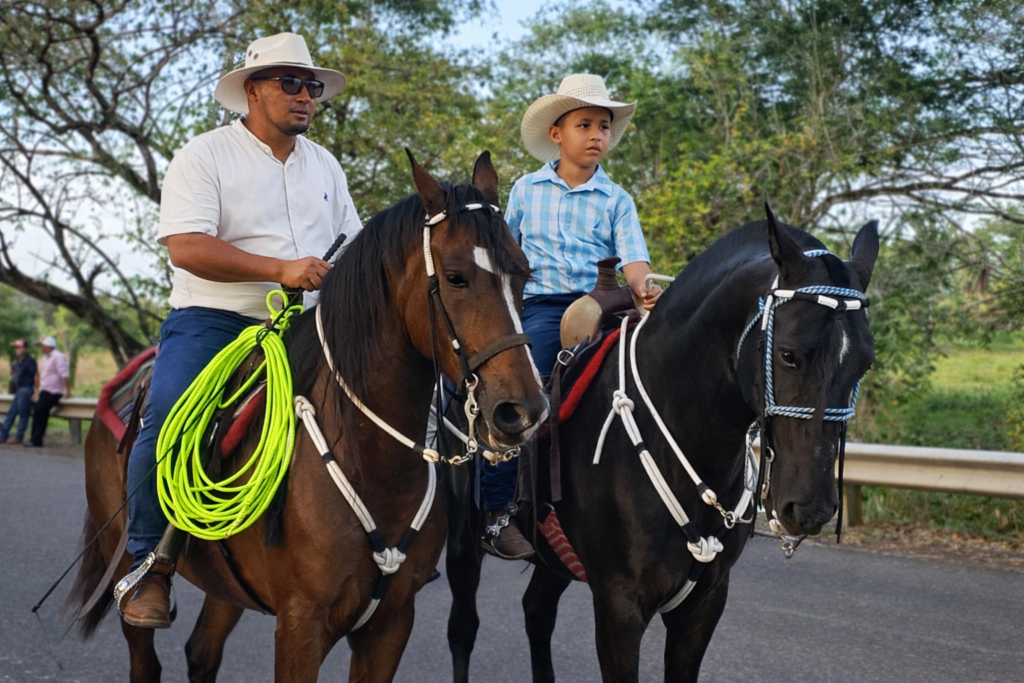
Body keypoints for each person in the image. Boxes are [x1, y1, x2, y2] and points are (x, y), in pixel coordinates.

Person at [121, 32, 362, 629]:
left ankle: (400, 541)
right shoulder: (203, 155)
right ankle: (150, 563)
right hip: (213, 317)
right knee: (169, 419)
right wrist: (280, 268)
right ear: (252, 90)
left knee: (392, 406)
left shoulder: (326, 165)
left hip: (307, 323)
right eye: (291, 83)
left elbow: (354, 248)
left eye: (312, 87)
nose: (306, 95)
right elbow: (186, 247)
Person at [480, 74, 663, 560]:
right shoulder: (524, 190)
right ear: (557, 134)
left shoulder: (617, 199)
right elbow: (507, 253)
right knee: (518, 392)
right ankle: (497, 508)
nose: (597, 135)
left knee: (650, 380)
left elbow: (634, 259)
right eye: (585, 124)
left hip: (604, 303)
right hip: (542, 306)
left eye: (604, 126)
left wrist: (644, 287)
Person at [24, 336, 70, 448]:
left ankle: (36, 440)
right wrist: (38, 390)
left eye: (42, 346)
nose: (41, 348)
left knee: (40, 413)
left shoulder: (57, 357)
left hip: (53, 391)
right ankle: (35, 439)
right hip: (45, 390)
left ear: (48, 346)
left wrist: (67, 390)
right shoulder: (47, 357)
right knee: (38, 413)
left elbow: (63, 374)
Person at [1, 339, 37, 445]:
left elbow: (36, 374)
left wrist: (37, 390)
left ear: (25, 348)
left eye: (19, 347)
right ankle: (3, 435)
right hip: (19, 389)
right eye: (16, 348)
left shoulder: (29, 360)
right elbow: (16, 375)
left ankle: (18, 436)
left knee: (23, 414)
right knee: (11, 413)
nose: (17, 350)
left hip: (26, 389)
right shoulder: (17, 361)